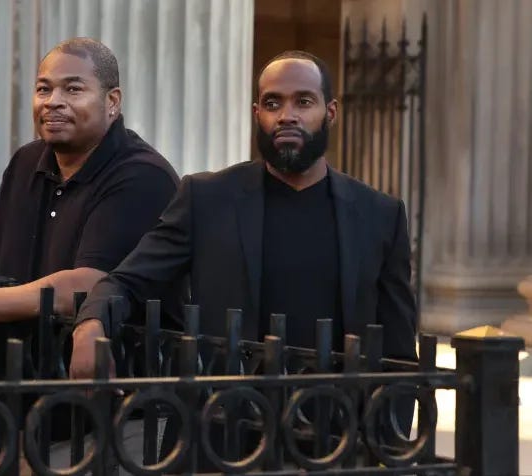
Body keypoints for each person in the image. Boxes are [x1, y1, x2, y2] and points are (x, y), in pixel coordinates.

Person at [68, 50, 418, 466]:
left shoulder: (380, 214)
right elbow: (128, 279)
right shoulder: (207, 199)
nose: (286, 115)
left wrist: (391, 448)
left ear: (331, 111)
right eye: (273, 103)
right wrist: (90, 324)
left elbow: (399, 353)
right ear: (257, 113)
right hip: (222, 436)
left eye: (303, 102)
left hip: (334, 442)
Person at [0, 36, 183, 469]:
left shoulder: (141, 176)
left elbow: (86, 284)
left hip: (118, 407)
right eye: (44, 89)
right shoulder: (27, 162)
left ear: (112, 101)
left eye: (73, 89)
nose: (53, 101)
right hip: (28, 392)